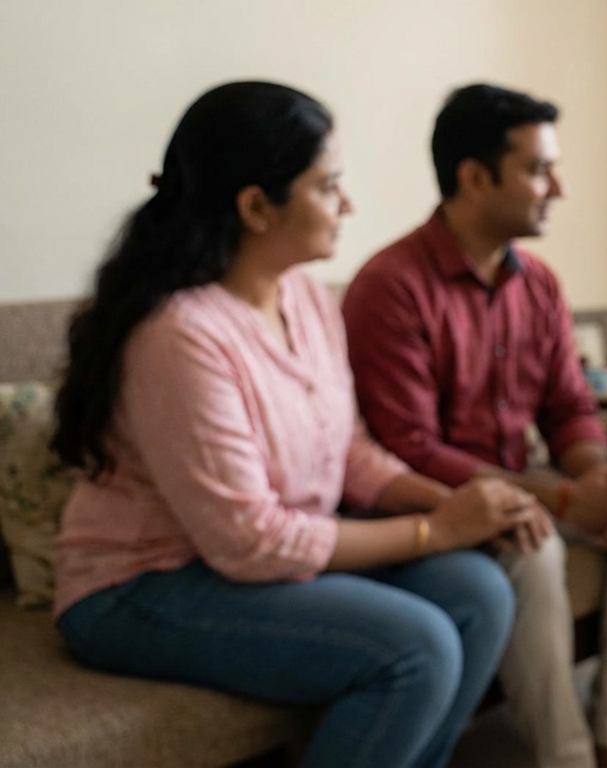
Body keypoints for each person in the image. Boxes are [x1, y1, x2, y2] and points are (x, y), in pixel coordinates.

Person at [48, 81, 535, 768]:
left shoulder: (304, 297)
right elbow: (250, 541)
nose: (349, 205)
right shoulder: (180, 336)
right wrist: (438, 530)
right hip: (141, 586)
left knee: (479, 590)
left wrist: (456, 503)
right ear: (255, 207)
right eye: (328, 186)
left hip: (249, 564)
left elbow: (350, 453)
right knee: (415, 644)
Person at [341, 83, 607, 768]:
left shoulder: (540, 284)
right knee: (533, 546)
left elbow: (568, 407)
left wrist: (599, 475)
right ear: (474, 177)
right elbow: (408, 450)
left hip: (527, 484)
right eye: (537, 168)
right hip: (439, 505)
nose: (556, 186)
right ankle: (567, 756)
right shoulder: (391, 286)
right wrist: (557, 497)